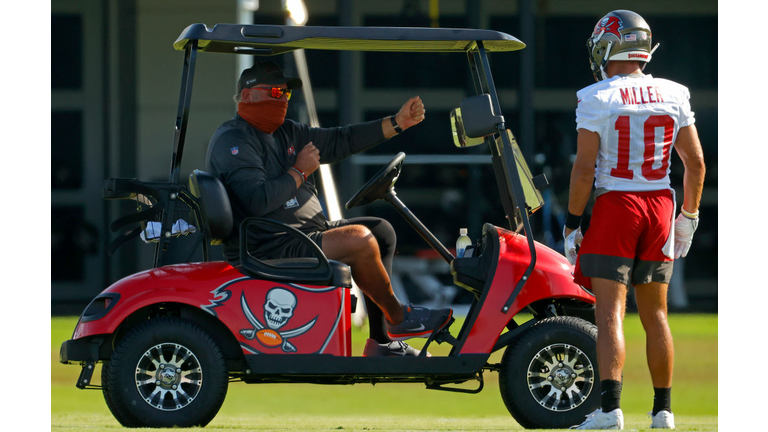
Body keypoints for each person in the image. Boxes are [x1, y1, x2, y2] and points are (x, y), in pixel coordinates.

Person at [205, 61, 452, 357]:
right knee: (359, 240)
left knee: (380, 231)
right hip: (268, 245)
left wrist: (397, 122)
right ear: (246, 96)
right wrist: (299, 171)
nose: (282, 98)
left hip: (300, 235)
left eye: (286, 93)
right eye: (274, 91)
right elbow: (257, 201)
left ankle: (382, 343)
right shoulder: (234, 141)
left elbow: (339, 140)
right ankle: (398, 317)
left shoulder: (286, 131)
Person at [563, 10, 705, 430]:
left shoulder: (595, 96)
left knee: (609, 313)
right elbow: (694, 163)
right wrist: (689, 216)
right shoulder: (674, 92)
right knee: (656, 314)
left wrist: (572, 222)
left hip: (618, 206)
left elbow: (584, 169)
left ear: (609, 47)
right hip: (661, 204)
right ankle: (664, 412)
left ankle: (610, 411)